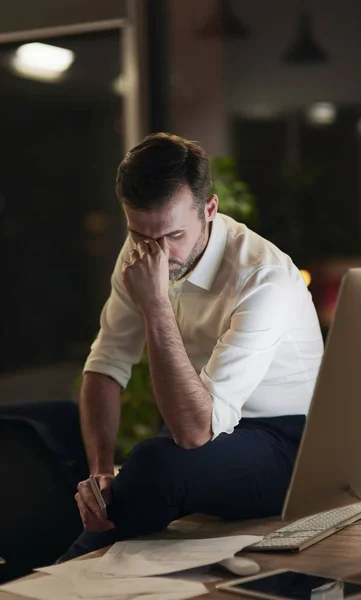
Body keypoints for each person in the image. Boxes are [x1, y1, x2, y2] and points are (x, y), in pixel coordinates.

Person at [59, 132, 324, 561]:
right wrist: (100, 474)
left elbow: (195, 432)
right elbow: (106, 364)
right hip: (208, 426)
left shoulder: (263, 276)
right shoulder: (143, 247)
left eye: (173, 236)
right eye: (139, 234)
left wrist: (156, 303)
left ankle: (60, 570)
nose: (157, 253)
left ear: (210, 209)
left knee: (155, 465)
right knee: (125, 477)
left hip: (290, 442)